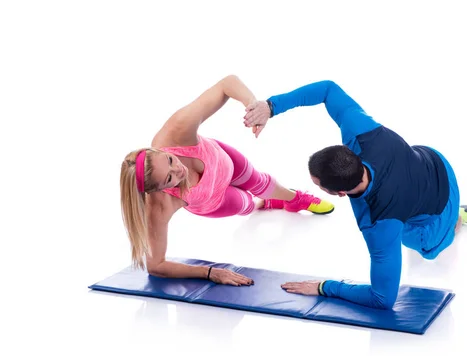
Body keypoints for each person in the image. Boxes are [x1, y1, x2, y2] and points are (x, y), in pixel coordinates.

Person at [243, 80, 467, 310]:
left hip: (442, 207)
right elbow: (328, 89)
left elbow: (383, 299)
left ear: (340, 193)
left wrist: (325, 287)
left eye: (319, 185)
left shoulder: (379, 223)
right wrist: (271, 107)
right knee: (405, 205)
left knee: (425, 246)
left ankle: (457, 219)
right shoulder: (360, 131)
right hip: (436, 162)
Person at [119, 75, 335, 286]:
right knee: (248, 204)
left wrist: (254, 106)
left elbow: (226, 84)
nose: (179, 170)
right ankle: (265, 203)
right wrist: (209, 272)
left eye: (170, 160)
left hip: (223, 161)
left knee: (261, 182)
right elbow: (156, 265)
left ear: (157, 150)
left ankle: (295, 199)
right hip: (212, 200)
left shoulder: (177, 131)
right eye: (169, 178)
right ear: (158, 189)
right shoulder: (158, 205)